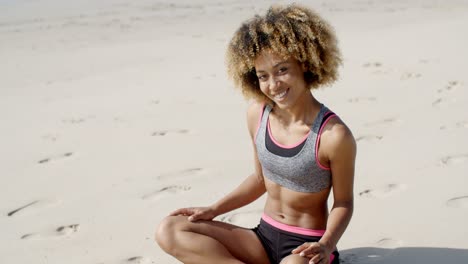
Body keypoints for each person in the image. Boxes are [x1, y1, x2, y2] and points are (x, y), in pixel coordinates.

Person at [155, 3, 356, 264]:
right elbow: (262, 178)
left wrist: (326, 245)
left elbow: (344, 203)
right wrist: (214, 209)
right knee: (170, 229)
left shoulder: (333, 136)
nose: (273, 85)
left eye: (282, 70)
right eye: (263, 76)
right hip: (263, 237)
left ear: (305, 64)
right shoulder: (257, 114)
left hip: (306, 248)